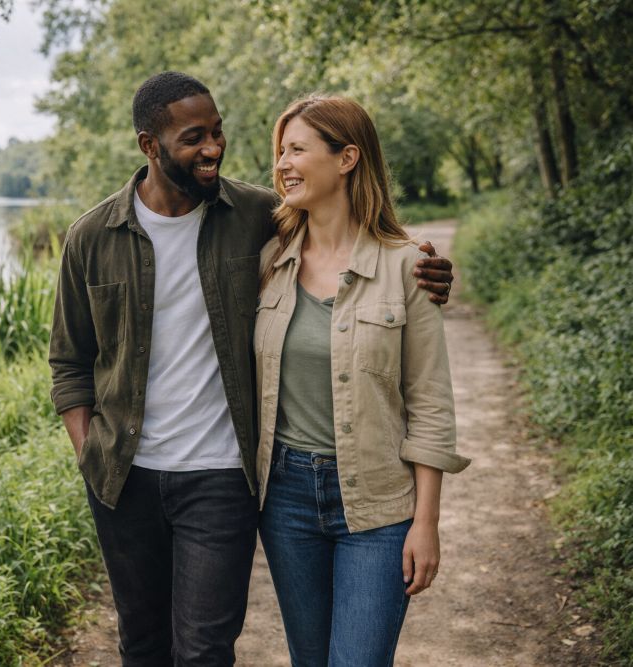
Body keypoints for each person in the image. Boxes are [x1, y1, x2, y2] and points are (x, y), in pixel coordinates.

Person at [49, 72, 455, 666]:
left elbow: (352, 238)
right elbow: (69, 363)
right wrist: (93, 456)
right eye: (194, 137)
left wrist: (427, 269)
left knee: (206, 650)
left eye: (217, 132)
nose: (213, 148)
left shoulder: (254, 216)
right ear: (149, 146)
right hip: (134, 477)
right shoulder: (94, 236)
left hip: (224, 476)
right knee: (142, 644)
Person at [253, 94, 471, 667]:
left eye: (297, 150)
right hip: (285, 500)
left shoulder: (407, 265)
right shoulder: (268, 260)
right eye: (280, 152)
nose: (282, 164)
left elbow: (430, 404)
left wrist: (427, 523)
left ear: (347, 158)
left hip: (378, 504)